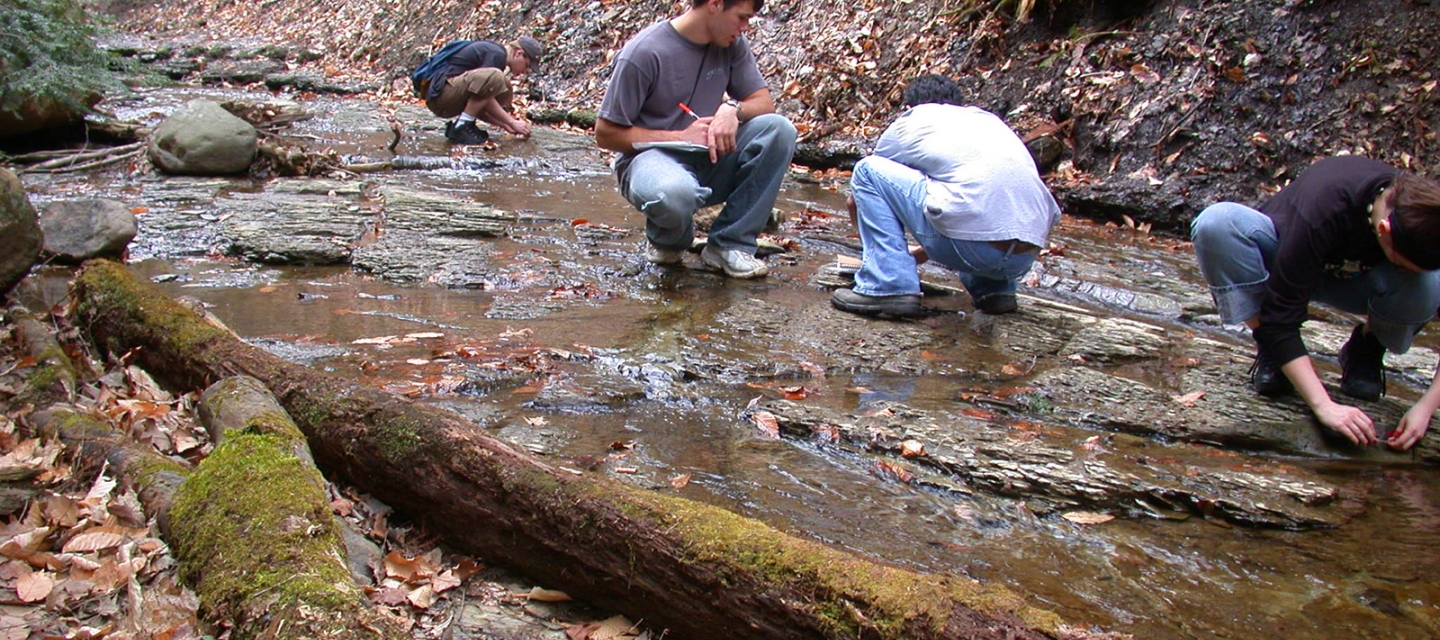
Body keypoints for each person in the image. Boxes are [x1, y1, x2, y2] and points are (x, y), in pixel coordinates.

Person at [1190, 156, 1440, 450]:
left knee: (1430, 284)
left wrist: (1425, 409)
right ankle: (1273, 353)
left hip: (1358, 282)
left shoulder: (1427, 218)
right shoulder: (1326, 202)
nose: (1407, 271)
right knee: (1216, 224)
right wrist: (1325, 406)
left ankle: (1368, 348)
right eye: (1405, 266)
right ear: (1384, 231)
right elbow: (1280, 315)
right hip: (1283, 263)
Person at [595, 0, 797, 279]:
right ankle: (668, 241)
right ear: (714, 4)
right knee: (674, 192)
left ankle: (730, 245)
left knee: (779, 130)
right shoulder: (644, 53)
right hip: (650, 160)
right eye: (741, 17)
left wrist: (732, 109)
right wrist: (678, 136)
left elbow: (763, 103)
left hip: (709, 155)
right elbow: (605, 134)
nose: (745, 27)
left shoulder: (731, 44)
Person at [830, 74, 1061, 317]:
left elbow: (864, 190)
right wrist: (918, 252)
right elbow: (972, 204)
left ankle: (888, 286)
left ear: (910, 107)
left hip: (969, 246)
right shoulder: (988, 122)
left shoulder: (913, 120)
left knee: (867, 169)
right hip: (1023, 258)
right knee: (986, 197)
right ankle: (994, 291)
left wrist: (877, 255)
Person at [422, 37, 543, 145]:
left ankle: (466, 123)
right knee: (495, 77)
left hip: (444, 97)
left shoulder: (496, 55)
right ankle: (462, 126)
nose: (526, 71)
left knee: (504, 86)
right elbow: (484, 94)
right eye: (527, 65)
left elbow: (479, 101)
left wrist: (505, 125)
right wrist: (511, 122)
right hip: (441, 96)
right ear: (518, 54)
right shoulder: (496, 55)